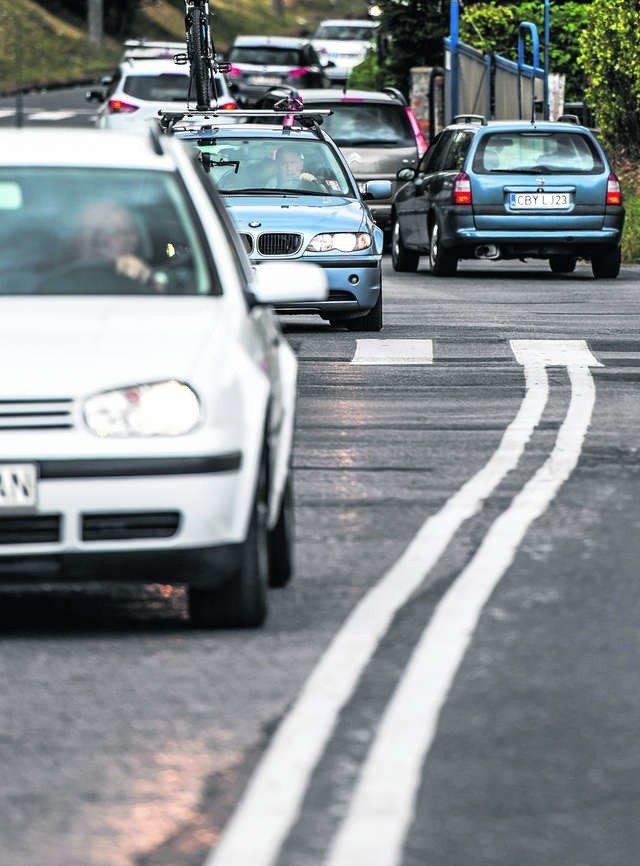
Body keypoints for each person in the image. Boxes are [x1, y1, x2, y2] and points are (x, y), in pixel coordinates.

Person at [70, 200, 156, 286]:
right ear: (75, 241)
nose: (99, 240)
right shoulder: (57, 286)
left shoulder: (146, 286)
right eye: (88, 231)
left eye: (111, 231)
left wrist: (146, 280)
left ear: (132, 240)